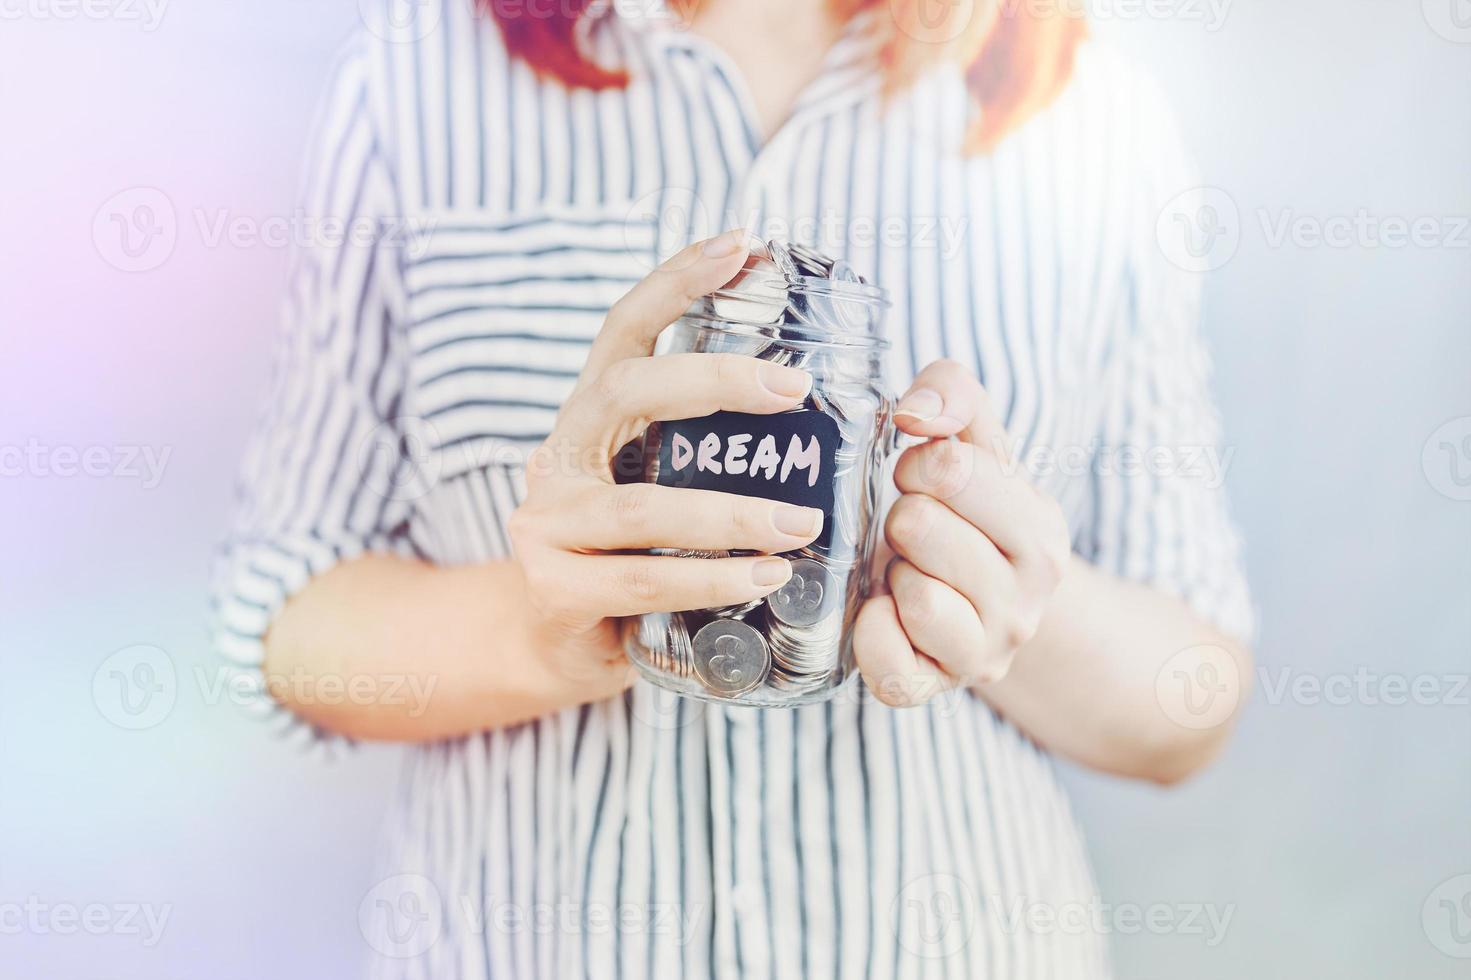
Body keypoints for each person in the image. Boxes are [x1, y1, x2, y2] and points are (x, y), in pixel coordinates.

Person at [213, 0, 1254, 975]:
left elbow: (1191, 701)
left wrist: (1010, 601)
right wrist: (533, 629)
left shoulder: (1089, 116)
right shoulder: (414, 77)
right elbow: (283, 610)